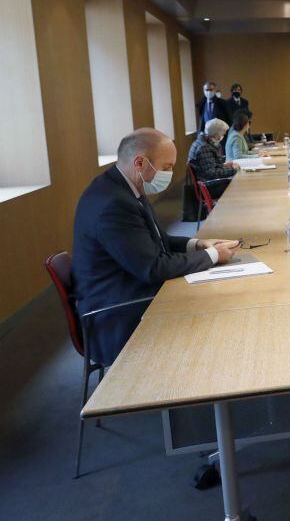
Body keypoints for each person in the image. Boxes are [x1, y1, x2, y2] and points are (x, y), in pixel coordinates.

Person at [71, 129, 240, 365]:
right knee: (213, 303)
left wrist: (199, 244)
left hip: (132, 290)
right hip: (116, 313)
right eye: (167, 167)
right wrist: (213, 255)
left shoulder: (125, 187)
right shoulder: (112, 204)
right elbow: (153, 267)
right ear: (140, 162)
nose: (170, 174)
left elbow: (156, 241)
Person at [188, 118, 239, 199]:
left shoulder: (201, 142)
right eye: (223, 134)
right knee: (237, 183)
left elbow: (209, 166)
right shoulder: (204, 148)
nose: (223, 136)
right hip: (209, 187)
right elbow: (212, 173)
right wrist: (234, 171)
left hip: (207, 183)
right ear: (216, 135)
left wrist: (224, 165)